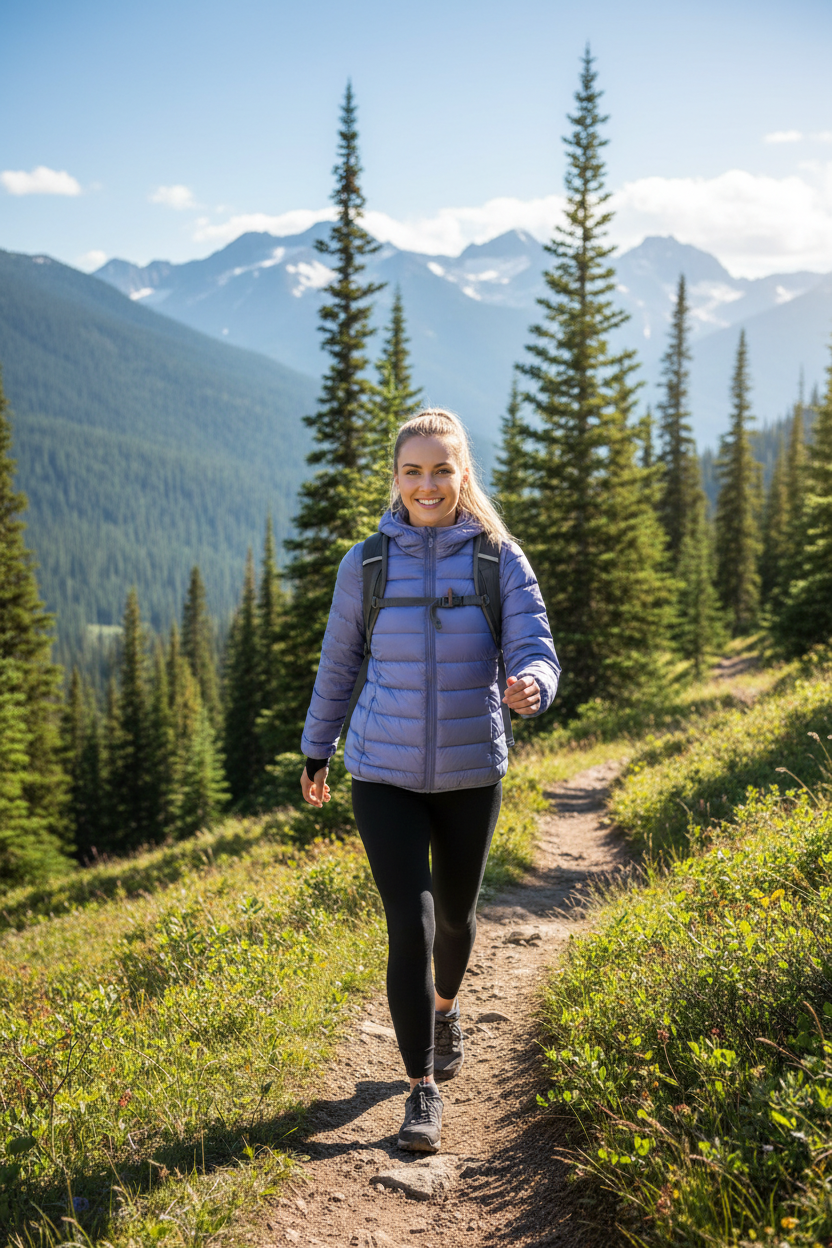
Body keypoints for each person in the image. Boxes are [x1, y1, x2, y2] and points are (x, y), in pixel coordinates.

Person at [300, 408, 559, 1153]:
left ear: (462, 473)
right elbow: (339, 663)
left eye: (441, 469)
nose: (427, 484)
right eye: (413, 471)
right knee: (409, 923)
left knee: (454, 916)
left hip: (471, 768)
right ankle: (422, 1092)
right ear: (396, 478)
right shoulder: (367, 564)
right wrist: (318, 747)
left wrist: (533, 685)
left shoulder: (497, 558)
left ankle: (446, 1008)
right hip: (382, 772)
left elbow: (535, 645)